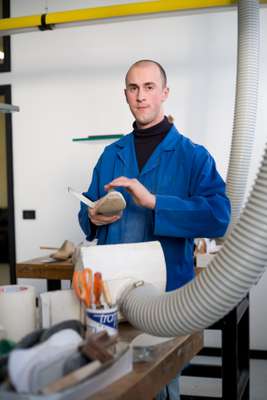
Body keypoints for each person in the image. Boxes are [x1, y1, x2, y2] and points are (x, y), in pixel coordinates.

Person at [78, 59, 231, 399]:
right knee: (112, 383)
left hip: (165, 302)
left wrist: (155, 203)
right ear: (125, 95)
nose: (141, 96)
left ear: (164, 93)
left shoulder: (193, 157)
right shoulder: (110, 155)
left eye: (149, 87)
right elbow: (86, 206)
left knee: (158, 384)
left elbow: (220, 217)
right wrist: (92, 217)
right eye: (133, 88)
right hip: (112, 301)